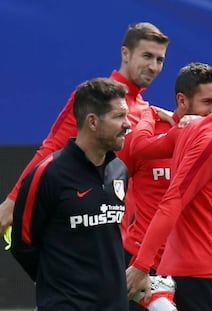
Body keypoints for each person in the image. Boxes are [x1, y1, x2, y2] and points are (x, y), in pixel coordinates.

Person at [0, 22, 171, 238]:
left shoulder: (147, 112)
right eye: (147, 56)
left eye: (160, 60)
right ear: (125, 53)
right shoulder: (96, 98)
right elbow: (52, 147)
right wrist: (13, 201)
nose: (153, 66)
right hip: (78, 227)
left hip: (118, 235)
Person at [126, 61, 212, 311]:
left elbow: (141, 146)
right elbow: (173, 201)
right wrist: (141, 266)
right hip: (200, 273)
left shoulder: (195, 128)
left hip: (190, 270)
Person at [11, 78, 131, 310]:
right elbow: (22, 244)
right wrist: (60, 287)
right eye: (119, 117)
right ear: (92, 122)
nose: (127, 124)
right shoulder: (48, 174)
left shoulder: (119, 170)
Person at [122, 62, 212, 311]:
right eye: (208, 102)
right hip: (143, 265)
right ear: (182, 100)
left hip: (192, 267)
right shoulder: (150, 134)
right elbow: (111, 187)